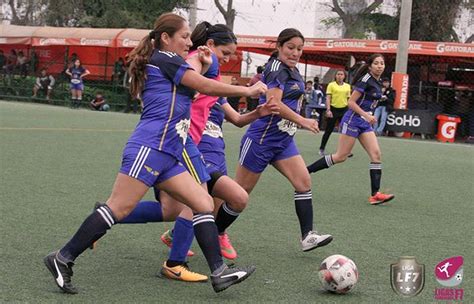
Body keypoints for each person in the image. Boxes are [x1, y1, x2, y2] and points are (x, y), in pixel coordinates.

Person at [43, 13, 266, 294]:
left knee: (203, 202)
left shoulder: (172, 64)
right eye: (184, 37)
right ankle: (62, 258)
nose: (189, 42)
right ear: (165, 38)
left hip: (170, 152)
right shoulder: (165, 59)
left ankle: (219, 273)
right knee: (119, 207)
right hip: (150, 148)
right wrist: (247, 89)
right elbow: (205, 86)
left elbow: (201, 86)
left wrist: (206, 63)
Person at [235, 28, 333, 253]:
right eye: (291, 48)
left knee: (303, 182)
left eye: (299, 49)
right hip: (261, 139)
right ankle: (207, 231)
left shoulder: (292, 70)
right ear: (279, 47)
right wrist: (302, 121)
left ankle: (308, 236)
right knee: (238, 194)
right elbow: (273, 105)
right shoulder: (277, 69)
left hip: (283, 141)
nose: (295, 53)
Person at [307, 54, 395, 205]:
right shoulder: (366, 80)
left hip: (364, 123)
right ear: (370, 66)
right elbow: (351, 103)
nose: (380, 66)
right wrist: (366, 115)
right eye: (376, 63)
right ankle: (305, 171)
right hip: (353, 120)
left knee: (376, 155)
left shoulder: (377, 81)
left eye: (382, 63)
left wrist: (367, 116)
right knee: (341, 156)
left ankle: (375, 195)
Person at [318, 69, 351, 156]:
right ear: (335, 76)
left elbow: (349, 99)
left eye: (341, 74)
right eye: (338, 74)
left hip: (344, 110)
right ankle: (322, 148)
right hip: (333, 109)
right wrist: (328, 110)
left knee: (345, 131)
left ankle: (346, 151)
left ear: (344, 76)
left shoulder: (347, 86)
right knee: (328, 130)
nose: (340, 76)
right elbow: (328, 98)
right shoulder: (331, 85)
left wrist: (350, 111)